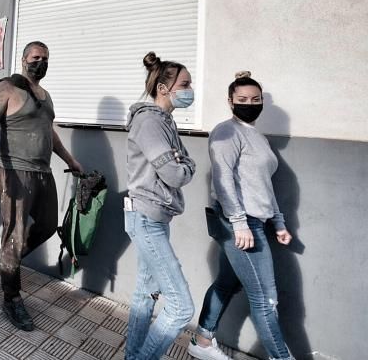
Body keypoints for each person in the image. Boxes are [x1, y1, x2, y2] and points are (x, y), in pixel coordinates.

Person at [187, 72, 293, 360]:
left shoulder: (257, 136)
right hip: (240, 223)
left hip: (253, 222)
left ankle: (202, 340)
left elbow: (264, 185)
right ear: (230, 101)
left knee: (227, 282)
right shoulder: (226, 132)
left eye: (256, 99)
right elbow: (222, 181)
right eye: (243, 99)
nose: (250, 104)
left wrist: (278, 222)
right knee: (265, 298)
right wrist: (239, 223)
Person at [0, 41, 83, 331]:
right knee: (14, 234)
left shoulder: (45, 96)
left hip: (43, 172)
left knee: (48, 225)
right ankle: (11, 298)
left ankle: (5, 258)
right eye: (36, 57)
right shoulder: (7, 89)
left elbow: (49, 132)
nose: (41, 62)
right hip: (16, 172)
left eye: (45, 58)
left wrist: (70, 159)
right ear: (24, 60)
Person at [124, 51, 197, 360]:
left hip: (154, 217)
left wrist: (183, 163)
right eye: (185, 84)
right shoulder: (149, 123)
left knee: (145, 294)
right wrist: (184, 165)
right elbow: (176, 173)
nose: (190, 90)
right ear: (163, 88)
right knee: (181, 307)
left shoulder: (165, 121)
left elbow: (184, 163)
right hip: (146, 218)